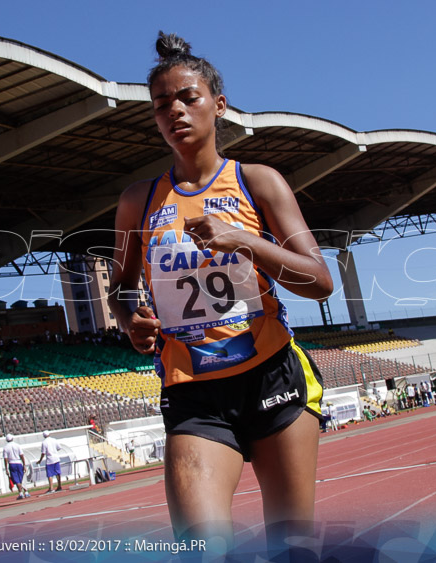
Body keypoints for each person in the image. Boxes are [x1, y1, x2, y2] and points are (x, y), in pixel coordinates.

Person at [108, 32, 332, 557]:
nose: (175, 112)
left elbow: (319, 282)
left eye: (189, 97)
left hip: (272, 377)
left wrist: (245, 240)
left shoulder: (258, 181)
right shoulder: (137, 202)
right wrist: (128, 321)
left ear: (219, 104)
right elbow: (119, 290)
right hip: (193, 393)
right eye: (162, 105)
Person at [2, 434, 29, 500]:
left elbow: (5, 459)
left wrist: (6, 468)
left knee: (16, 479)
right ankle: (26, 492)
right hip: (19, 462)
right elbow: (22, 455)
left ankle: (21, 493)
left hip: (12, 463)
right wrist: (24, 464)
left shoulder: (5, 447)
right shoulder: (17, 445)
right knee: (22, 478)